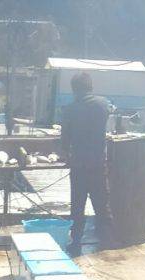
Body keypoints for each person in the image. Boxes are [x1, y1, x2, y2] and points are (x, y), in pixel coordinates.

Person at [60, 71, 116, 257]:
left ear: (74, 89)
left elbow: (64, 141)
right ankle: (107, 242)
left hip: (78, 166)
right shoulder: (102, 105)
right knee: (102, 205)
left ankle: (75, 243)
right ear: (90, 87)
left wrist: (66, 155)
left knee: (77, 206)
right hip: (98, 165)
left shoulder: (68, 110)